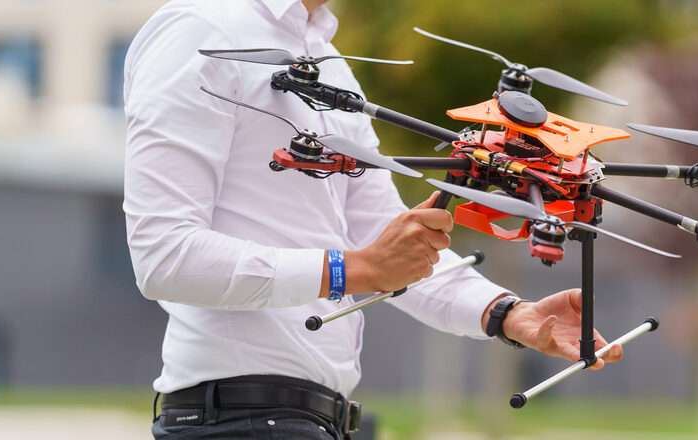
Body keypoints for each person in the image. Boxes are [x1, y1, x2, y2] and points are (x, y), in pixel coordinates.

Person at [122, 0, 622, 438]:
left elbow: (386, 244)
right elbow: (164, 256)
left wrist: (506, 313)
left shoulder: (329, 60)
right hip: (236, 418)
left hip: (313, 419)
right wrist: (354, 270)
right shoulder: (199, 28)